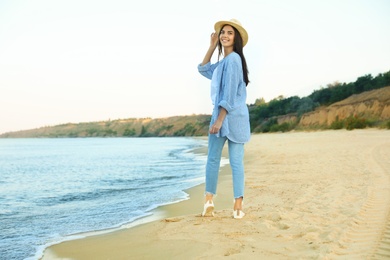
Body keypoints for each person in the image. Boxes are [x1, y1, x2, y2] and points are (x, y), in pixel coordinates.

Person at [197, 19, 250, 219]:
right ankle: (221, 204)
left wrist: (219, 120)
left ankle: (229, 203)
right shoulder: (222, 63)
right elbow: (203, 69)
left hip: (229, 116)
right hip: (225, 115)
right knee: (218, 160)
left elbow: (228, 95)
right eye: (222, 33)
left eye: (229, 33)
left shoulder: (234, 59)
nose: (224, 35)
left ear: (236, 38)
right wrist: (211, 47)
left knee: (228, 161)